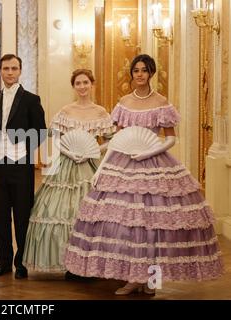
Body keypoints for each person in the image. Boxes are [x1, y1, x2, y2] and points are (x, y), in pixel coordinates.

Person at [64, 54, 223, 295]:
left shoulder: (161, 102)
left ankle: (151, 279)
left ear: (151, 73)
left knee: (154, 226)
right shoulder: (125, 102)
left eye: (144, 70)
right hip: (123, 166)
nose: (139, 74)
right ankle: (132, 278)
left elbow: (170, 138)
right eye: (136, 70)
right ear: (132, 74)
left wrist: (150, 152)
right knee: (125, 226)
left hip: (154, 165)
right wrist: (102, 165)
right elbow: (117, 139)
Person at [22, 69, 114, 276]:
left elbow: (111, 139)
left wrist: (94, 150)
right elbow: (53, 138)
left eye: (85, 83)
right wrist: (70, 152)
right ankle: (67, 263)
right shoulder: (65, 111)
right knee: (60, 211)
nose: (82, 87)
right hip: (66, 165)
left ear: (92, 84)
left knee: (92, 211)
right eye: (78, 83)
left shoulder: (101, 112)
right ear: (73, 86)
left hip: (90, 165)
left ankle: (90, 264)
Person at [0, 54, 47, 279]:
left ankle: (21, 263)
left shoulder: (32, 99)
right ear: (0, 71)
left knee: (22, 216)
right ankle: (4, 263)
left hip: (21, 166)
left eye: (14, 68)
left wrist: (23, 151)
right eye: (5, 68)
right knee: (0, 217)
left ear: (20, 71)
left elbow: (40, 131)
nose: (9, 72)